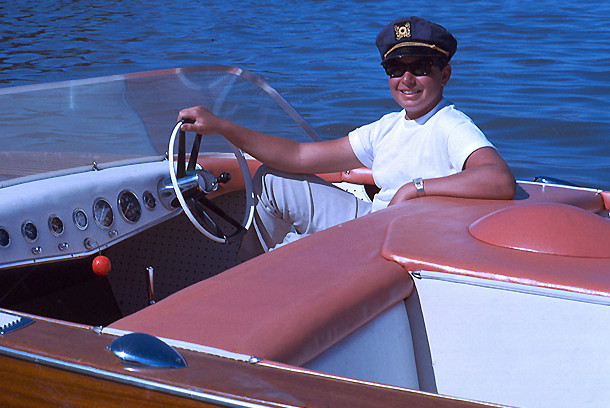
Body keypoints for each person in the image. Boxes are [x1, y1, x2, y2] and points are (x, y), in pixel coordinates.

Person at [178, 16, 517, 256]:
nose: (407, 79)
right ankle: (244, 281)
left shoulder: (450, 125)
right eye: (396, 69)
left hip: (410, 237)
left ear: (445, 75)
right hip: (376, 222)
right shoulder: (387, 127)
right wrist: (222, 126)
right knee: (271, 180)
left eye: (422, 68)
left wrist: (414, 190)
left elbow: (499, 179)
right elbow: (298, 157)